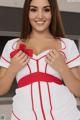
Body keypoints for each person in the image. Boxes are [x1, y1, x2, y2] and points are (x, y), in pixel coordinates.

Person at [0, 0, 80, 119]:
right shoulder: (11, 45)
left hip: (64, 115)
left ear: (53, 13)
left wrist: (63, 68)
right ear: (27, 12)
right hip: (23, 116)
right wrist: (12, 68)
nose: (40, 16)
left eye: (46, 10)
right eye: (34, 9)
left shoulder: (66, 45)